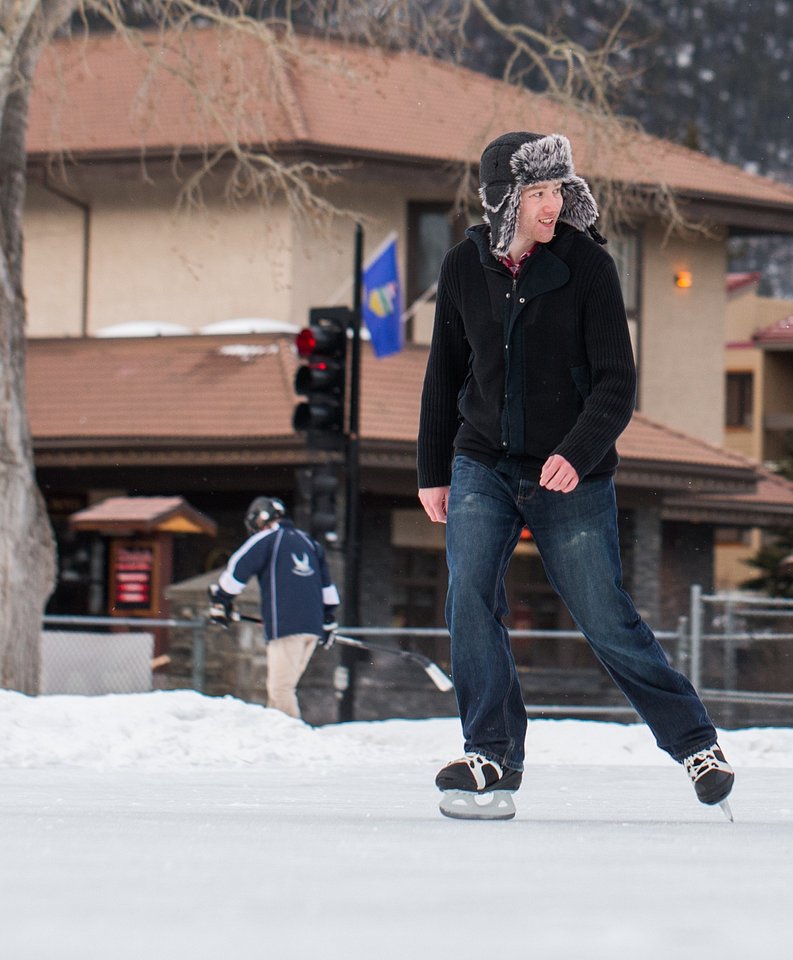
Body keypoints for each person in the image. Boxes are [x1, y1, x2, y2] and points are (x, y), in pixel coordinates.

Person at [416, 131, 733, 822]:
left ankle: (696, 745)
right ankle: (490, 752)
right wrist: (431, 470)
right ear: (505, 198)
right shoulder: (464, 268)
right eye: (537, 193)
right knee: (469, 599)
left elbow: (617, 383)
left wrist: (578, 451)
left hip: (571, 474)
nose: (552, 205)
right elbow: (443, 376)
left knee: (604, 616)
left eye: (558, 189)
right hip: (482, 463)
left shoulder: (587, 267)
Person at [206, 496, 338, 721]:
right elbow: (327, 588)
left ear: (261, 519)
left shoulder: (268, 540)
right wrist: (327, 620)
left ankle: (294, 738)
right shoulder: (309, 542)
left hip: (287, 626)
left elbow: (238, 569)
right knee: (282, 689)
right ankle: (275, 738)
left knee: (280, 689)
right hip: (312, 628)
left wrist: (221, 600)